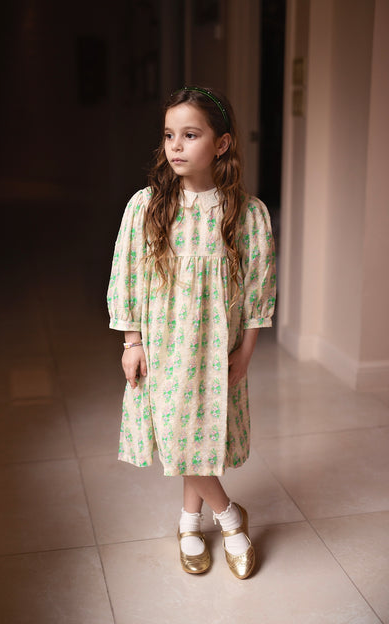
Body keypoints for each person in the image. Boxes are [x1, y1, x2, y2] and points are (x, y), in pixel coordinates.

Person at [107, 86, 276, 579]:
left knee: (198, 430)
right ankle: (229, 516)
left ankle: (188, 521)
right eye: (168, 135)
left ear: (221, 144)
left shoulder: (246, 213)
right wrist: (132, 342)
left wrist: (246, 353)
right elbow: (126, 275)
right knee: (176, 428)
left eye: (190, 135)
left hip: (216, 347)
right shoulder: (146, 207)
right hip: (163, 345)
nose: (175, 146)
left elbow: (259, 290)